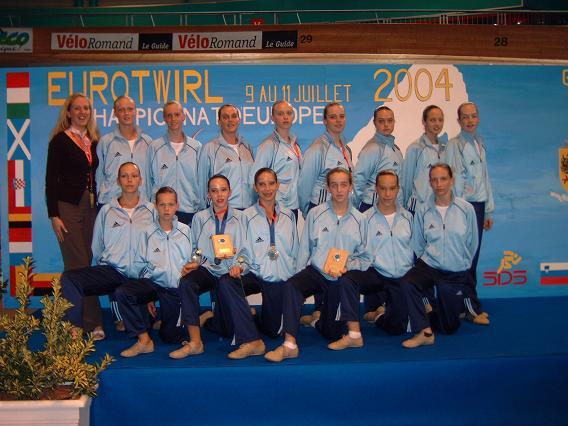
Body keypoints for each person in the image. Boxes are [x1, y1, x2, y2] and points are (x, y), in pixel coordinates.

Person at [265, 168, 371, 362]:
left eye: (343, 185)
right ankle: (289, 345)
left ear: (351, 187)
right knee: (292, 286)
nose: (339, 190)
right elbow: (304, 249)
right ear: (328, 188)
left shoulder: (360, 219)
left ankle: (317, 320)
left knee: (331, 333)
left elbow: (365, 258)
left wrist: (348, 265)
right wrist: (297, 276)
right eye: (334, 185)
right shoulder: (315, 214)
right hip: (317, 272)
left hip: (340, 278)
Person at [169, 175, 263, 360]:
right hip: (210, 269)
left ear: (230, 192)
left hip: (232, 271)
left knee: (225, 328)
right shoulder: (199, 218)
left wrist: (239, 265)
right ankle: (195, 342)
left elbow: (247, 251)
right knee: (187, 282)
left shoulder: (242, 218)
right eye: (214, 191)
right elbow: (196, 250)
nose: (219, 195)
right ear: (208, 194)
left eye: (223, 190)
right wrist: (195, 262)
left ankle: (246, 336)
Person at [61, 162, 155, 338]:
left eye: (134, 176)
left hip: (140, 276)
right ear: (118, 181)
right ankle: (74, 329)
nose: (129, 180)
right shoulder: (106, 211)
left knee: (142, 326)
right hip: (113, 272)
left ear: (140, 180)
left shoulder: (152, 211)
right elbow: (97, 247)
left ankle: (133, 317)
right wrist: (106, 266)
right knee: (69, 278)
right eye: (124, 176)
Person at [400, 163, 478, 348]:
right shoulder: (423, 209)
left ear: (452, 180)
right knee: (408, 282)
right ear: (430, 183)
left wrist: (461, 264)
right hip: (430, 265)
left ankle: (435, 313)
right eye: (434, 180)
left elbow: (472, 242)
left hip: (455, 271)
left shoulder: (466, 209)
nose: (439, 184)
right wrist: (427, 261)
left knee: (448, 328)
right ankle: (424, 331)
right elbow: (418, 243)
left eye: (443, 179)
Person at [45, 93, 101, 336]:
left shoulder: (94, 140)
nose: (82, 112)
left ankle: (77, 320)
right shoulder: (59, 140)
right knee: (77, 264)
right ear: (68, 112)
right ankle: (81, 323)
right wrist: (54, 215)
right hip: (67, 207)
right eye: (77, 108)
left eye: (86, 108)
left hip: (92, 208)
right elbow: (50, 180)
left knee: (86, 261)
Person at [116, 187, 192, 357]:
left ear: (177, 206)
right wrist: (148, 296)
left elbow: (194, 257)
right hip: (154, 284)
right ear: (156, 206)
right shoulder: (147, 232)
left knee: (170, 337)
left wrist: (191, 268)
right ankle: (144, 340)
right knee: (123, 292)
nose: (166, 209)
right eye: (162, 205)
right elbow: (139, 263)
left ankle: (192, 319)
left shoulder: (186, 231)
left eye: (170, 204)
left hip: (175, 288)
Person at [446, 102, 493, 324]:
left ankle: (467, 304)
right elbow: (453, 182)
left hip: (479, 206)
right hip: (464, 208)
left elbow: (485, 178)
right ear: (459, 121)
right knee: (465, 258)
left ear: (479, 118)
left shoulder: (479, 143)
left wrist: (488, 211)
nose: (470, 120)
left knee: (472, 258)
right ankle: (468, 307)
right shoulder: (455, 145)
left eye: (473, 116)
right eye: (465, 117)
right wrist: (459, 211)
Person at [240, 168, 299, 339]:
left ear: (277, 185)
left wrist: (293, 275)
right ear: (255, 187)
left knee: (274, 332)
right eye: (262, 184)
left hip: (280, 276)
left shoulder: (289, 215)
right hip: (255, 273)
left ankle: (255, 318)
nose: (267, 189)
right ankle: (223, 320)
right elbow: (242, 249)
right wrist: (243, 266)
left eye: (271, 183)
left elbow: (295, 249)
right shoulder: (245, 216)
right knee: (227, 284)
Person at [355, 170, 414, 334]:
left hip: (403, 277)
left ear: (398, 189)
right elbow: (358, 253)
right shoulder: (364, 219)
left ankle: (379, 313)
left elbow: (416, 251)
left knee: (405, 326)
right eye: (383, 188)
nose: (387, 194)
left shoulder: (408, 217)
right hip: (379, 277)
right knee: (348, 280)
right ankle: (375, 313)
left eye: (392, 188)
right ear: (376, 189)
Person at [147, 100, 203, 225]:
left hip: (190, 211)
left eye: (177, 115)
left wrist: (200, 205)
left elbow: (202, 181)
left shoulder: (197, 147)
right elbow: (148, 182)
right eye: (169, 115)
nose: (173, 119)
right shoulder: (155, 147)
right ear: (164, 118)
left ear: (183, 116)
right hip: (162, 211)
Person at [96, 95, 153, 206]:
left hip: (142, 205)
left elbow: (153, 177)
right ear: (115, 113)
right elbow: (99, 176)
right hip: (111, 204)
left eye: (130, 109)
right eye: (121, 110)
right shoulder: (106, 142)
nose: (126, 113)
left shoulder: (148, 142)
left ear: (136, 112)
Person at [298, 102, 353, 215]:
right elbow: (304, 186)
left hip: (342, 209)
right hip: (321, 211)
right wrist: (309, 213)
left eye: (341, 116)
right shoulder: (318, 149)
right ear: (325, 121)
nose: (338, 120)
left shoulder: (346, 149)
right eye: (333, 117)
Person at [250, 101, 302, 219]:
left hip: (292, 207)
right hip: (275, 207)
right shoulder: (269, 145)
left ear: (293, 116)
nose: (285, 117)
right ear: (272, 117)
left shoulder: (294, 143)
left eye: (288, 113)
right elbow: (255, 178)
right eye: (280, 114)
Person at [198, 104, 255, 210]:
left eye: (234, 116)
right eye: (225, 117)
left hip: (249, 211)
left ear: (239, 120)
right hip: (224, 211)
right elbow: (202, 186)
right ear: (219, 122)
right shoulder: (210, 148)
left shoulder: (247, 146)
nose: (230, 120)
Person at [353, 106, 403, 213]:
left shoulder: (396, 149)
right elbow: (358, 180)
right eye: (381, 121)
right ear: (375, 123)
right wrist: (353, 209)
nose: (386, 124)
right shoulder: (372, 148)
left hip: (392, 206)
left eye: (390, 120)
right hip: (373, 207)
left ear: (394, 122)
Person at [400, 105, 448, 214]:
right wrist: (404, 210)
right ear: (424, 121)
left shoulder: (446, 148)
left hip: (439, 209)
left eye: (440, 120)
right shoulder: (415, 148)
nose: (437, 124)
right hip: (418, 209)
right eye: (433, 120)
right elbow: (406, 182)